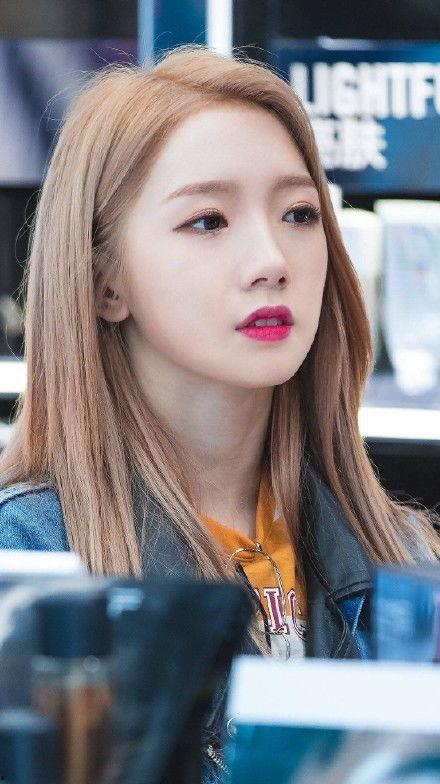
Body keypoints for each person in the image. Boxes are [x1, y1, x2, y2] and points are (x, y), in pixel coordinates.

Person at [0, 44, 438, 781]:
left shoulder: (404, 560)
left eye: (299, 213)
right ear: (105, 281)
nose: (272, 260)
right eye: (208, 221)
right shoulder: (30, 565)